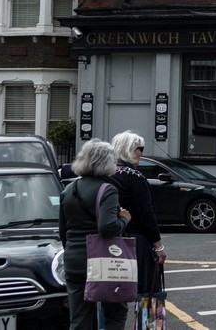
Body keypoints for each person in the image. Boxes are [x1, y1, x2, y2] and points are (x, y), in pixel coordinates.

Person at [59, 139, 132, 330]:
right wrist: (124, 219)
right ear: (106, 163)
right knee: (115, 313)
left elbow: (63, 230)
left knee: (80, 318)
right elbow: (107, 227)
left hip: (74, 260)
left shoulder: (68, 190)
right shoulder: (107, 190)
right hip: (102, 262)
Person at [110, 131, 167, 296]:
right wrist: (158, 246)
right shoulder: (135, 177)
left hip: (112, 239)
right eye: (140, 148)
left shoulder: (109, 175)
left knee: (111, 293)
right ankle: (147, 322)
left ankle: (109, 323)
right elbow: (146, 214)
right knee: (147, 290)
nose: (142, 153)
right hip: (137, 240)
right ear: (129, 149)